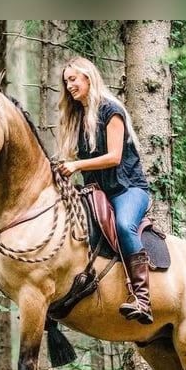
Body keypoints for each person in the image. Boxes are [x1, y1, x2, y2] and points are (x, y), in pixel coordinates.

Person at [56, 57, 153, 325]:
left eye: (73, 79)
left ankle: (143, 299)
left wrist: (75, 165)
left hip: (128, 189)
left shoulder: (112, 111)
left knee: (124, 225)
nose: (69, 85)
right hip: (97, 193)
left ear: (88, 77)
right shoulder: (77, 119)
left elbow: (114, 157)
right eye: (66, 81)